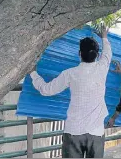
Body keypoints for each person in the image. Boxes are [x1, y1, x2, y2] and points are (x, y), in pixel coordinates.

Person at [29, 26, 112, 158]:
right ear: (97, 54)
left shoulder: (70, 74)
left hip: (74, 131)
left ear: (79, 53)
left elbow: (46, 90)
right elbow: (107, 54)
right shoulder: (102, 68)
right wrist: (104, 37)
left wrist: (33, 73)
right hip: (96, 132)